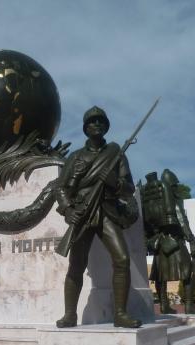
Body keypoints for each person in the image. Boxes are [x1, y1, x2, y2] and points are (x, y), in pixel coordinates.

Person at [54, 106, 141, 328]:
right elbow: (61, 188)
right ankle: (70, 315)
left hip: (107, 211)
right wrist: (68, 210)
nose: (97, 124)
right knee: (76, 265)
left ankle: (120, 314)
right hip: (83, 212)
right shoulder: (75, 157)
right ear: (85, 128)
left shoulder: (116, 153)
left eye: (101, 121)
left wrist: (115, 182)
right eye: (92, 122)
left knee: (122, 259)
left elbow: (129, 188)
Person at [142, 169, 195, 314]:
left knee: (160, 277)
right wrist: (191, 241)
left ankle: (164, 305)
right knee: (188, 273)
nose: (177, 188)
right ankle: (189, 305)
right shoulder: (173, 201)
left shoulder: (148, 202)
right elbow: (183, 222)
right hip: (175, 242)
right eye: (175, 185)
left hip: (159, 243)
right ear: (171, 185)